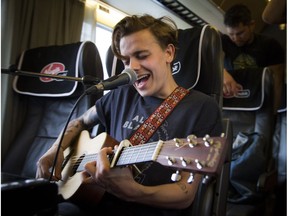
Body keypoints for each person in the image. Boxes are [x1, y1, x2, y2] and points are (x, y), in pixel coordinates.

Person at [36, 14, 223, 216]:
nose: (131, 68)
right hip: (90, 203)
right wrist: (55, 150)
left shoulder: (201, 107)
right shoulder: (119, 95)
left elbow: (184, 194)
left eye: (141, 56)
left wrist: (134, 192)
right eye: (126, 60)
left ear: (168, 53)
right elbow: (81, 121)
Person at [221, 3, 285, 109]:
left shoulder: (270, 45)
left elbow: (277, 81)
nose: (235, 39)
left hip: (261, 99)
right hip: (234, 100)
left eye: (240, 33)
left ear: (252, 25)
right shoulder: (224, 42)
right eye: (231, 34)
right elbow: (210, 62)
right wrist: (222, 72)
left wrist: (273, 112)